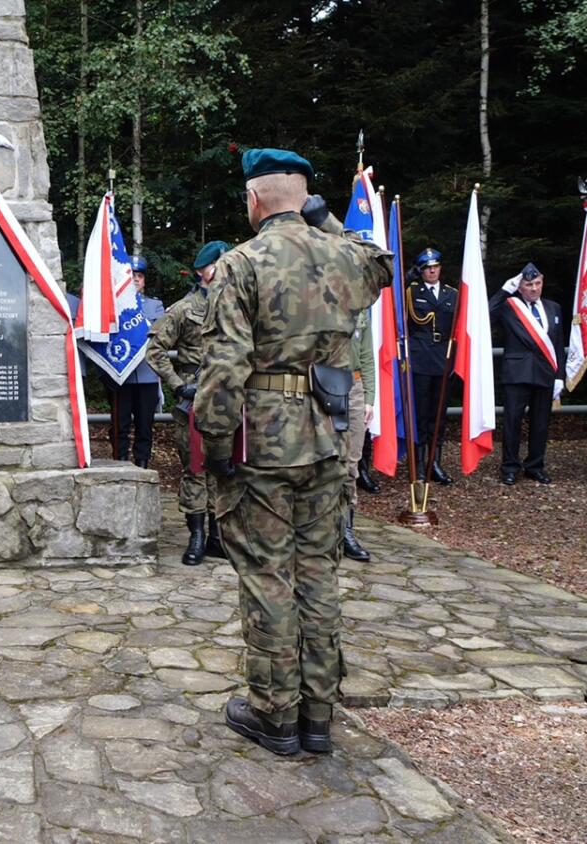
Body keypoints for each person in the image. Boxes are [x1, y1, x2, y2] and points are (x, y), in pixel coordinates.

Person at [195, 148, 392, 756]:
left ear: (253, 199)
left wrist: (218, 445)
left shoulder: (240, 263)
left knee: (267, 577)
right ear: (304, 198)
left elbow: (224, 367)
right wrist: (325, 220)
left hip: (262, 439)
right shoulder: (343, 255)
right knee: (318, 575)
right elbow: (383, 264)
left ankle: (273, 714)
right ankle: (317, 716)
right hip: (328, 435)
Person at [145, 240, 229, 566]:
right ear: (201, 271)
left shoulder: (237, 306)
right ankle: (195, 538)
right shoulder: (183, 309)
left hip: (227, 400)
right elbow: (154, 350)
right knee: (195, 468)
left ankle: (216, 539)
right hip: (193, 401)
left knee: (223, 471)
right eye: (218, 266)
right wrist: (179, 386)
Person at [489, 263, 566, 485]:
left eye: (537, 283)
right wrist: (504, 290)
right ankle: (510, 467)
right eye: (528, 284)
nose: (534, 288)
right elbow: (487, 314)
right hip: (517, 372)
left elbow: (558, 344)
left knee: (541, 422)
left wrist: (559, 375)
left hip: (545, 372)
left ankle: (535, 465)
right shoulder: (509, 306)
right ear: (520, 287)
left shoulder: (553, 308)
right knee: (513, 421)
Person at [405, 247, 457, 484]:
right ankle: (417, 464)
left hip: (443, 360)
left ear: (440, 268)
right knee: (420, 414)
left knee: (438, 415)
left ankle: (434, 462)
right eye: (427, 267)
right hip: (420, 359)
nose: (432, 270)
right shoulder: (411, 292)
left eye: (435, 266)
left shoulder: (452, 294)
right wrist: (407, 277)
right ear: (421, 271)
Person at [110, 256, 165, 467]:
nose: (135, 279)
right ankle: (120, 462)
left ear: (144, 281)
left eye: (139, 276)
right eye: (131, 275)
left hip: (146, 373)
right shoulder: (113, 305)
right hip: (121, 373)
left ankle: (142, 464)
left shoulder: (155, 305)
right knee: (120, 424)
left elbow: (159, 334)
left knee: (145, 424)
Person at [341, 306, 374, 560]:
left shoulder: (361, 310)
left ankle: (346, 530)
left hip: (354, 387)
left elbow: (366, 356)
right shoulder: (318, 301)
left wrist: (369, 398)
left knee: (352, 462)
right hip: (323, 385)